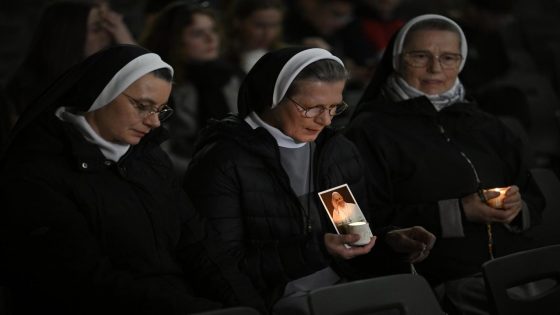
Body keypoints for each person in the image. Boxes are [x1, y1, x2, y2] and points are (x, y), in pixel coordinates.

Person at [0, 45, 264, 315]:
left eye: (161, 110)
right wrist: (198, 310)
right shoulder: (36, 172)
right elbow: (83, 281)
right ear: (101, 93)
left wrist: (247, 305)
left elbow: (199, 243)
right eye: (142, 106)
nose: (154, 123)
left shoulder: (149, 158)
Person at [184, 46, 436, 314]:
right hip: (275, 301)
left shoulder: (336, 151)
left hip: (345, 286)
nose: (325, 120)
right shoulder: (223, 162)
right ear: (273, 97)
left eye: (334, 108)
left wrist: (386, 243)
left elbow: (351, 231)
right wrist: (319, 248)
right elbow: (222, 269)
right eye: (312, 107)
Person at [344, 14, 545, 314]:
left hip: (517, 270)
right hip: (442, 281)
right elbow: (360, 223)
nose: (435, 68)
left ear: (461, 63)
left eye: (448, 57)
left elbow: (532, 193)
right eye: (420, 56)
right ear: (397, 60)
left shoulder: (485, 124)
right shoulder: (370, 131)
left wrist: (517, 207)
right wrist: (458, 212)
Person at [141, 1, 243, 177]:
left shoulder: (232, 77)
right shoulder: (159, 85)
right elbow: (157, 152)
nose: (211, 39)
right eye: (198, 34)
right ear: (174, 40)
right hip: (185, 176)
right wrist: (205, 173)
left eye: (213, 31)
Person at [2, 1, 136, 132]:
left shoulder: (100, 81)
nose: (109, 35)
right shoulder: (30, 95)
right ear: (68, 36)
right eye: (97, 29)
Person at [223, 0, 285, 74]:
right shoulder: (221, 57)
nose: (268, 33)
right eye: (259, 25)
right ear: (238, 22)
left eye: (274, 25)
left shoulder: (286, 57)